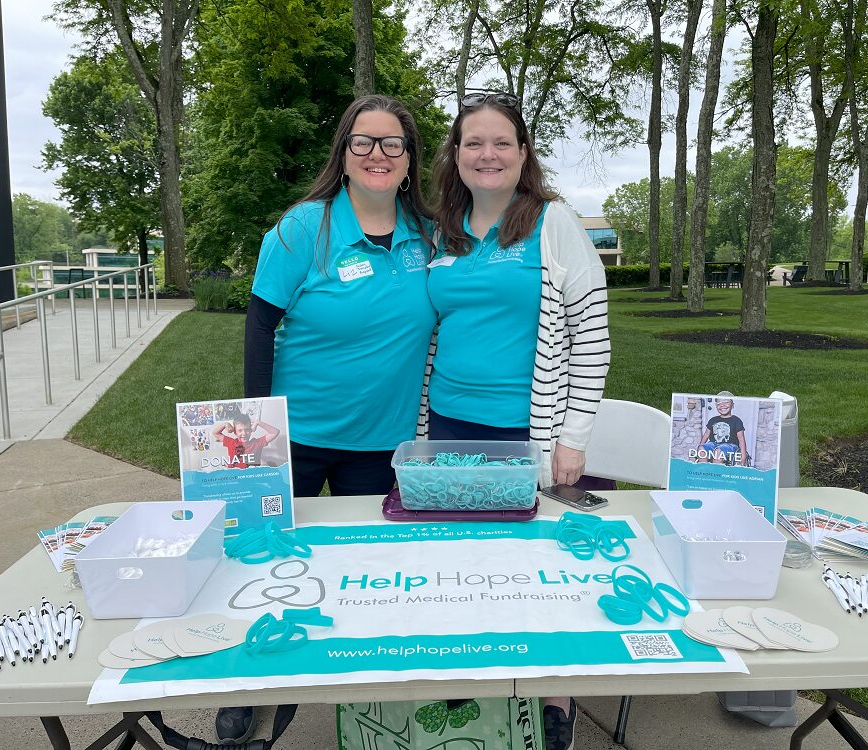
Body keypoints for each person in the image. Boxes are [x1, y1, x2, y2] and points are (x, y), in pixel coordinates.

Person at [220, 94, 436, 745]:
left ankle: (358, 686)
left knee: (360, 575)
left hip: (380, 447)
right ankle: (242, 682)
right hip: (292, 441)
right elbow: (260, 324)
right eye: (363, 142)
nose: (377, 154)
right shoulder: (300, 230)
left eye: (391, 143)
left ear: (408, 160)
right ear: (343, 156)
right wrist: (257, 426)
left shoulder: (428, 238)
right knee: (258, 572)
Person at [419, 91, 610, 750]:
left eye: (502, 142)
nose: (487, 154)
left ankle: (556, 696)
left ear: (523, 153)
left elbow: (592, 337)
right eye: (474, 142)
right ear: (457, 154)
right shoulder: (440, 232)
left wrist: (573, 440)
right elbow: (434, 331)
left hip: (527, 433)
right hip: (449, 429)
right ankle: (472, 667)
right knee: (466, 563)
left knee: (539, 571)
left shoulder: (553, 224)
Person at [211, 413, 279, 469]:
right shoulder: (231, 442)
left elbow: (275, 432)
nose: (244, 433)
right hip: (234, 474)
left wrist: (258, 423)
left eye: (247, 430)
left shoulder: (257, 443)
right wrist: (225, 424)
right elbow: (215, 433)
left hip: (251, 475)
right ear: (235, 432)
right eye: (240, 430)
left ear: (251, 430)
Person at [696, 396, 749, 466]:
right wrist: (701, 446)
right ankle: (705, 470)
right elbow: (706, 435)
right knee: (702, 448)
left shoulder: (736, 420)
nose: (722, 405)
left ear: (732, 405)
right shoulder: (713, 420)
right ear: (716, 406)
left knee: (718, 451)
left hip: (730, 445)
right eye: (719, 404)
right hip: (714, 444)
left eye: (726, 402)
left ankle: (716, 472)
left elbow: (741, 439)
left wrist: (743, 455)